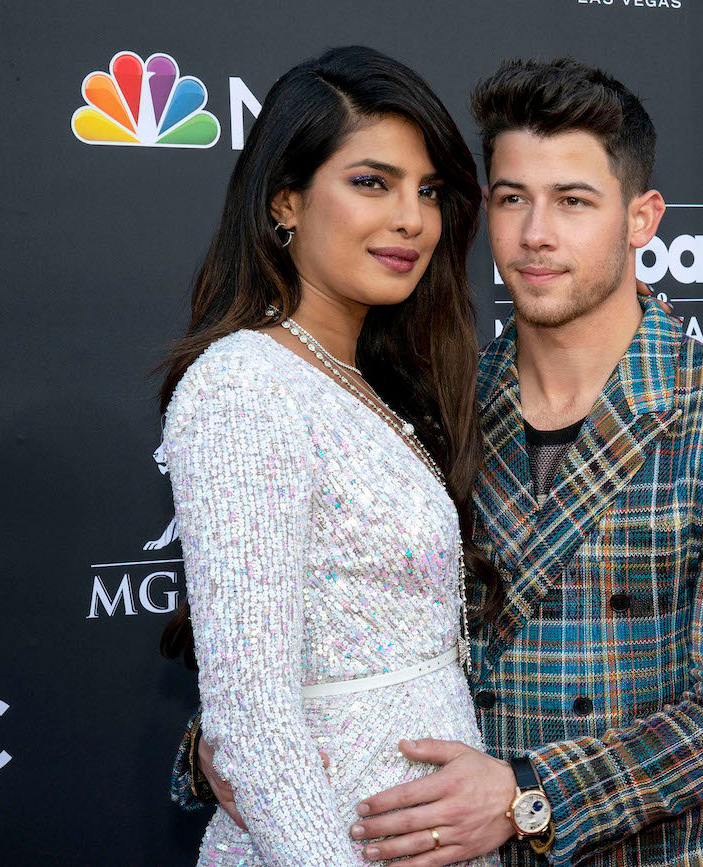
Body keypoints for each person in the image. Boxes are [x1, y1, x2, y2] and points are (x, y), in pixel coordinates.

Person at [182, 57, 703, 867]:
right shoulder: (434, 402)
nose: (535, 234)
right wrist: (225, 741)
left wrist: (528, 790)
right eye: (513, 198)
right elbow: (348, 620)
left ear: (642, 217)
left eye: (574, 201)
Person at [157, 45, 500, 866]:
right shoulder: (245, 384)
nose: (412, 219)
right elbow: (251, 725)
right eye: (372, 182)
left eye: (429, 191)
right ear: (285, 200)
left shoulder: (369, 381)